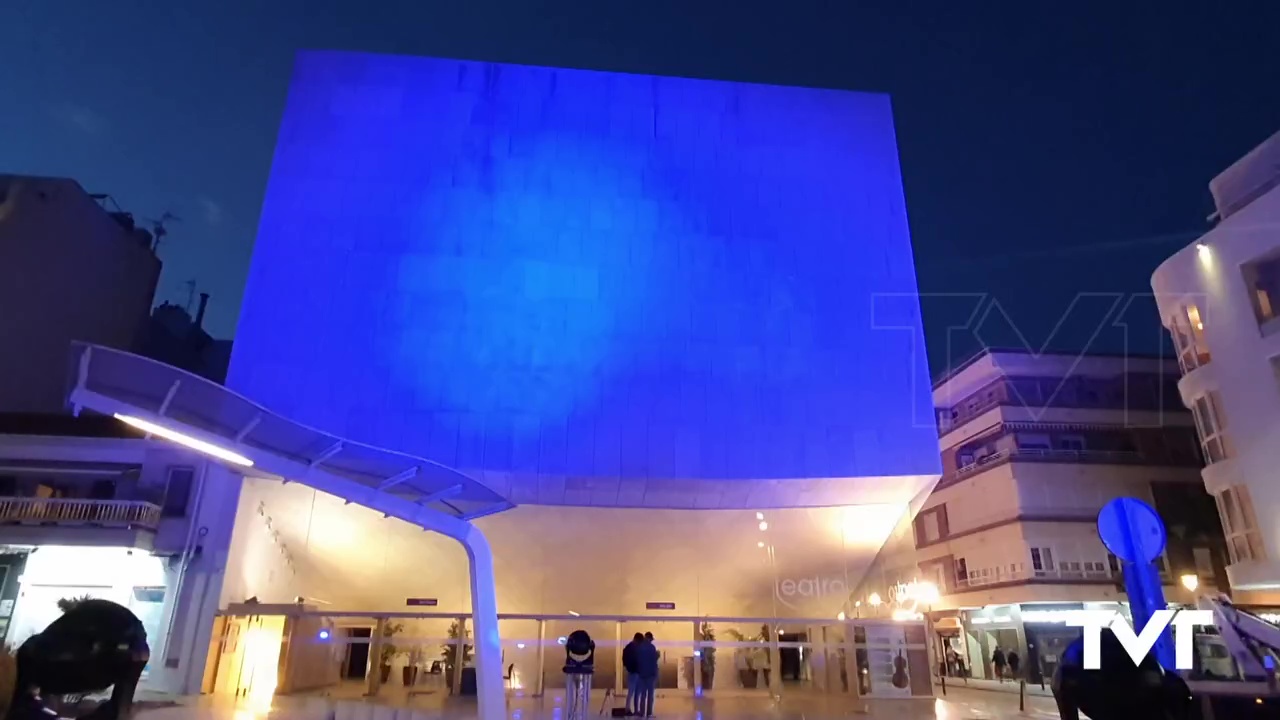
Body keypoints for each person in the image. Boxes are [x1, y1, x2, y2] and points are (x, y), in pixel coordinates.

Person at [562, 630, 595, 720]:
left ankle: (570, 716)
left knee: (571, 698)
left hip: (574, 667)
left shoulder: (572, 647)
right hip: (585, 667)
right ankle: (578, 716)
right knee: (582, 698)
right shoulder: (587, 646)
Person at [636, 632, 659, 718]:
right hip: (650, 674)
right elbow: (653, 661)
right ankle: (649, 713)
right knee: (650, 695)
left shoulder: (640, 647)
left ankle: (641, 712)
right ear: (649, 638)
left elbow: (638, 660)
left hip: (642, 674)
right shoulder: (652, 648)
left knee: (643, 694)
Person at [621, 632, 643, 716]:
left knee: (632, 692)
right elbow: (634, 660)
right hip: (634, 672)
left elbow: (625, 660)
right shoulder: (633, 648)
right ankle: (630, 709)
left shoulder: (628, 647)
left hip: (632, 671)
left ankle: (631, 709)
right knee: (634, 692)